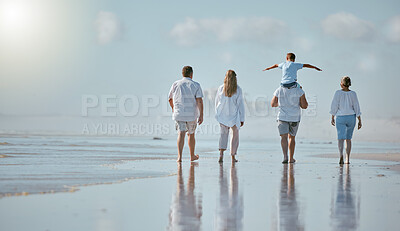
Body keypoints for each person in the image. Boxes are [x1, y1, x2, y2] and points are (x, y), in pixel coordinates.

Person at [168, 66, 203, 162]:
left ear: (182, 74)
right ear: (191, 74)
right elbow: (199, 100)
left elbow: (170, 99)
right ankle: (192, 156)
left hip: (179, 113)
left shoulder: (175, 84)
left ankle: (179, 157)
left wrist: (173, 108)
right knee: (191, 134)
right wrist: (201, 115)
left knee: (181, 133)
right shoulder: (196, 85)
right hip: (191, 115)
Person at [271, 84, 308, 163]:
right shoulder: (299, 90)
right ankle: (291, 158)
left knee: (283, 137)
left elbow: (273, 104)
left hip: (282, 117)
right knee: (292, 137)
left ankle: (285, 156)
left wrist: (282, 103)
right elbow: (304, 106)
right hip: (294, 118)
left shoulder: (279, 89)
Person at [330, 76, 362, 164]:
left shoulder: (338, 93)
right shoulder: (353, 94)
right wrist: (359, 120)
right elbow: (357, 107)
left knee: (340, 138)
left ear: (342, 84)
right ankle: (347, 159)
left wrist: (332, 117)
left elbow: (334, 105)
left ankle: (341, 156)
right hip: (351, 117)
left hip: (340, 117)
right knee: (348, 139)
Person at [215, 70, 245, 163]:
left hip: (223, 115)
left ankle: (221, 155)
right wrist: (242, 118)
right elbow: (240, 105)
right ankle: (233, 156)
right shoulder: (238, 89)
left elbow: (217, 101)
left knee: (223, 135)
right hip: (234, 116)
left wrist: (217, 113)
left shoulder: (221, 88)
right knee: (234, 136)